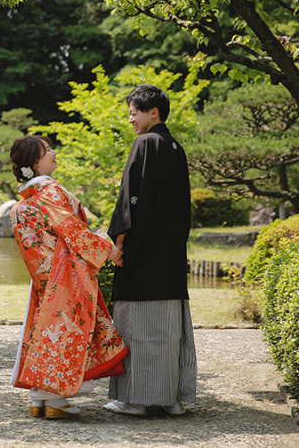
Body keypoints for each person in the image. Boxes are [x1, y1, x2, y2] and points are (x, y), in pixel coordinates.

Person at [9, 135, 129, 419]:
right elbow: (70, 228)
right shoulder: (50, 190)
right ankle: (55, 400)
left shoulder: (25, 201)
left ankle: (39, 398)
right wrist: (107, 250)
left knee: (44, 328)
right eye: (47, 151)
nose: (54, 153)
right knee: (63, 329)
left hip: (43, 274)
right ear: (35, 162)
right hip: (64, 273)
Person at [104, 84, 197, 417]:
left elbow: (133, 200)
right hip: (170, 255)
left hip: (144, 256)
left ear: (152, 112)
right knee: (169, 330)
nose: (131, 120)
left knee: (138, 328)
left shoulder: (145, 143)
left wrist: (119, 240)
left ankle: (138, 400)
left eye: (133, 112)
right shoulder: (175, 146)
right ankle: (171, 398)